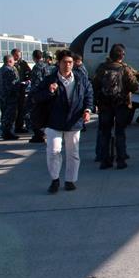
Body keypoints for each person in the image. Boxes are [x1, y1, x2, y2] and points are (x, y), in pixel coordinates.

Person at [32, 49, 94, 193]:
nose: (68, 65)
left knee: (73, 153)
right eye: (65, 62)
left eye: (70, 62)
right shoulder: (49, 80)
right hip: (54, 122)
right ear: (58, 63)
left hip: (74, 121)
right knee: (53, 151)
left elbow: (89, 95)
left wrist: (87, 110)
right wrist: (49, 91)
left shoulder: (81, 79)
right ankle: (55, 179)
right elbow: (35, 97)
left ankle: (70, 180)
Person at [92, 44, 139, 170]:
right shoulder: (124, 69)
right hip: (121, 105)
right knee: (120, 132)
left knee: (105, 133)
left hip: (105, 105)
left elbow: (95, 85)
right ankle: (121, 160)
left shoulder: (101, 68)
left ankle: (105, 160)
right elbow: (134, 87)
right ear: (122, 56)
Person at [28, 50, 55, 143]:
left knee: (35, 114)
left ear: (34, 57)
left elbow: (36, 83)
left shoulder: (37, 67)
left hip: (39, 94)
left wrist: (33, 96)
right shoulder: (47, 66)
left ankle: (38, 135)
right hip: (47, 93)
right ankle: (42, 133)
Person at [0, 55, 22, 140]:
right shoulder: (11, 71)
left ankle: (4, 131)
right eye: (13, 61)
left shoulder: (1, 70)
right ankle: (8, 133)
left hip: (2, 96)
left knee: (4, 115)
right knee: (10, 115)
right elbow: (15, 84)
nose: (14, 62)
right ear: (9, 61)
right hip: (11, 97)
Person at [12, 48, 32, 134]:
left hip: (21, 88)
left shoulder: (23, 63)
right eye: (17, 55)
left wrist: (27, 80)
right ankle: (9, 127)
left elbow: (29, 73)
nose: (18, 57)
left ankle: (19, 126)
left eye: (19, 55)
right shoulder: (10, 63)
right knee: (12, 109)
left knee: (21, 108)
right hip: (12, 90)